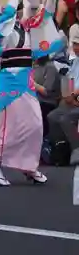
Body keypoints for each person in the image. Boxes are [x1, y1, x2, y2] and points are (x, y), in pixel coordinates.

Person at [0, 0, 65, 186]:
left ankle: (29, 166)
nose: (27, 12)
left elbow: (45, 16)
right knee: (7, 127)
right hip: (9, 83)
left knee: (34, 125)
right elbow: (8, 15)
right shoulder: (4, 31)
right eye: (22, 8)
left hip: (25, 82)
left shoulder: (26, 28)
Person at [47, 31, 79, 165]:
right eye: (75, 44)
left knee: (67, 118)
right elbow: (70, 80)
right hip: (73, 99)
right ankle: (62, 149)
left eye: (78, 45)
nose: (76, 47)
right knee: (52, 116)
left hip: (76, 99)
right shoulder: (75, 61)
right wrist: (67, 95)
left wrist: (73, 95)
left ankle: (76, 149)